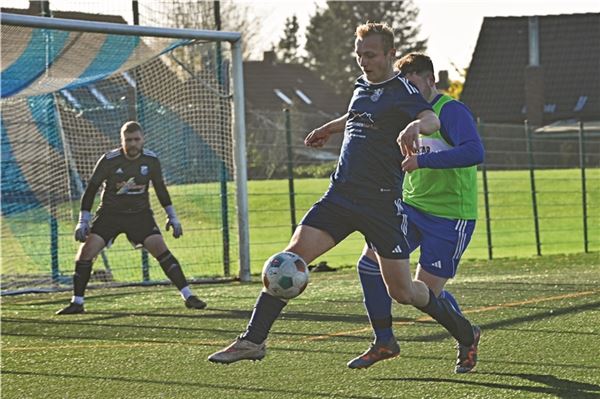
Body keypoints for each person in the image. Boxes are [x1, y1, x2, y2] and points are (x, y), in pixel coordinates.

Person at [208, 23, 477, 364]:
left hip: (381, 204)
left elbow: (431, 121)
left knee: (405, 292)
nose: (363, 61)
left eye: (371, 55)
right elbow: (358, 114)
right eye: (359, 54)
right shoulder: (362, 85)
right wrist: (329, 128)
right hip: (340, 195)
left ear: (391, 55)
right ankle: (253, 340)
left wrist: (414, 125)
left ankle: (466, 333)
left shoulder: (404, 92)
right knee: (289, 260)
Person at [348, 53, 484, 373]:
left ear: (430, 81)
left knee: (422, 295)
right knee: (369, 264)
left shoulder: (450, 111)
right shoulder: (404, 112)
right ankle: (383, 341)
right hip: (411, 208)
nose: (407, 92)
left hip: (450, 217)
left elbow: (475, 151)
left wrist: (423, 161)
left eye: (412, 85)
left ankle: (467, 335)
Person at [56, 121, 207, 315]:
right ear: (122, 141)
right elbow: (91, 189)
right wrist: (82, 221)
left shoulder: (151, 160)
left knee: (161, 249)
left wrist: (173, 217)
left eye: (136, 139)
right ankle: (77, 302)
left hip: (140, 215)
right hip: (109, 215)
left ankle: (188, 296)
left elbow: (161, 189)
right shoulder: (109, 160)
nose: (133, 144)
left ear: (143, 139)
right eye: (129, 140)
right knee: (86, 253)